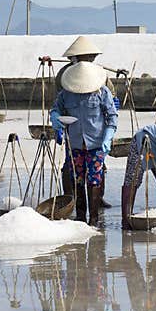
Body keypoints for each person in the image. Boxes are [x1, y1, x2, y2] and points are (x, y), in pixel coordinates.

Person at [51, 35, 119, 210]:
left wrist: (108, 136)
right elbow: (57, 107)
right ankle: (77, 211)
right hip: (74, 140)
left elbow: (111, 114)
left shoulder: (100, 86)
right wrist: (56, 120)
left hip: (95, 140)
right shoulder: (66, 81)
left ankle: (94, 214)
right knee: (75, 176)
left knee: (95, 175)